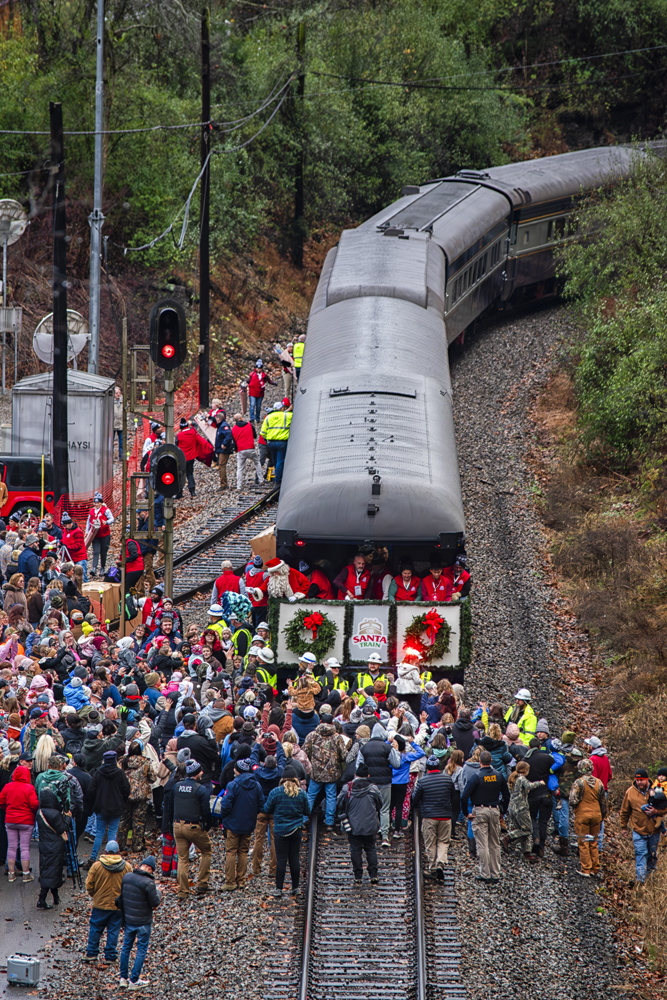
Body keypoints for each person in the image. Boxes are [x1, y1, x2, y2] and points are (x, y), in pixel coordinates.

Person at [461, 749, 510, 883]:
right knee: (494, 843)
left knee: (482, 844)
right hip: (494, 810)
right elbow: (507, 795)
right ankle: (495, 873)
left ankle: (485, 873)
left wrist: (466, 813)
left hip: (479, 811)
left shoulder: (476, 777)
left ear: (480, 761)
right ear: (491, 761)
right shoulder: (499, 776)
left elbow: (464, 796)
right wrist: (502, 812)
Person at [263, 763, 311, 898]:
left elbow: (266, 809)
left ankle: (279, 888)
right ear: (296, 779)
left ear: (282, 779)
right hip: (296, 830)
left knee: (281, 859)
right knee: (294, 859)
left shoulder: (275, 792)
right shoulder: (301, 793)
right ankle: (295, 888)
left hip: (280, 830)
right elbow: (308, 811)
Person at [218, 756, 265, 891]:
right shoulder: (256, 785)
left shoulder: (232, 785)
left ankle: (230, 881)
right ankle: (241, 880)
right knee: (243, 851)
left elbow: (226, 805)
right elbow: (261, 805)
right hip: (248, 824)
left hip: (232, 824)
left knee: (231, 852)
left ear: (237, 771)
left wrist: (225, 817)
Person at [84, 839, 133, 964]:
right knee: (113, 930)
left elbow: (89, 885)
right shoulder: (127, 867)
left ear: (105, 851)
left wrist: (95, 895)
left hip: (100, 904)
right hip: (117, 906)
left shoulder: (97, 866)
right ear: (118, 852)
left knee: (95, 928)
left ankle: (91, 953)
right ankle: (110, 956)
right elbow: (130, 886)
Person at [170, 758, 213, 900]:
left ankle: (183, 891)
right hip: (194, 826)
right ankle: (202, 883)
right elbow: (206, 810)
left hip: (177, 825)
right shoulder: (201, 789)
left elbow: (170, 806)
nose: (202, 772)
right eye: (200, 771)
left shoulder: (176, 786)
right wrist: (207, 825)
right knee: (206, 851)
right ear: (196, 774)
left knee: (182, 858)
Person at [118, 856, 161, 990]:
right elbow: (155, 902)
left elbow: (121, 898)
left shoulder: (127, 877)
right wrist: (159, 892)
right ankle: (134, 980)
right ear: (149, 868)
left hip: (129, 920)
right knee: (141, 950)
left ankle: (123, 978)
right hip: (143, 922)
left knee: (126, 947)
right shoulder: (148, 883)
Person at [336, 762, 382, 885]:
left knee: (355, 850)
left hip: (353, 825)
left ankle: (358, 876)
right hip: (370, 825)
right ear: (368, 775)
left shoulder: (348, 788)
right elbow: (380, 804)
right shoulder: (373, 788)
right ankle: (374, 875)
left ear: (355, 775)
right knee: (371, 849)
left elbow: (339, 803)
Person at [357, 724, 401, 847]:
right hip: (385, 782)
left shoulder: (364, 748)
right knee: (385, 809)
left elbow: (358, 766)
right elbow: (396, 764)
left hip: (369, 783)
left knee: (370, 808)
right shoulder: (387, 747)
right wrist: (396, 750)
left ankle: (370, 834)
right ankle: (385, 837)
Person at [620, 767, 667, 882]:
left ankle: (650, 880)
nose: (639, 782)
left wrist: (657, 812)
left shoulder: (656, 788)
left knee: (652, 856)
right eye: (637, 780)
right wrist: (623, 827)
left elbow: (665, 806)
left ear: (647, 779)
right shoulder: (630, 792)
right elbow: (625, 811)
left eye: (641, 780)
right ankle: (639, 880)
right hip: (638, 830)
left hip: (654, 830)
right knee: (640, 854)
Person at [87, 749, 132, 866]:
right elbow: (126, 789)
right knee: (112, 832)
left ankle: (93, 858)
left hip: (101, 807)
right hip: (116, 807)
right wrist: (122, 800)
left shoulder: (98, 773)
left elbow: (90, 790)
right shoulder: (120, 773)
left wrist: (94, 803)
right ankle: (112, 858)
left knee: (99, 833)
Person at [412, 754, 453, 877]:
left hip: (429, 816)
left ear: (428, 768)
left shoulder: (423, 781)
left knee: (430, 842)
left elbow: (415, 799)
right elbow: (453, 796)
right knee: (443, 841)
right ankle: (441, 862)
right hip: (445, 816)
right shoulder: (447, 779)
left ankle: (433, 868)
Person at [303, 718, 348, 831]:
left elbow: (305, 751)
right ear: (332, 722)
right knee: (331, 797)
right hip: (332, 773)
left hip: (316, 772)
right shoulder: (337, 737)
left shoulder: (312, 735)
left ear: (321, 721)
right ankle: (329, 822)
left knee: (311, 795)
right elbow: (343, 755)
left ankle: (303, 819)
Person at [0, 763, 39, 882]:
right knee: (25, 848)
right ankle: (26, 874)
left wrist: (8, 810)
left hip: (10, 820)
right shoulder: (29, 788)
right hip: (26, 821)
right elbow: (35, 804)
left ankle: (11, 873)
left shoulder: (7, 786)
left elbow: (1, 801)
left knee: (11, 847)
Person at [569, 758, 607, 878]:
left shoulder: (579, 782)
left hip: (583, 815)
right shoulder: (599, 782)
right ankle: (595, 869)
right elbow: (603, 802)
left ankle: (586, 869)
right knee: (594, 842)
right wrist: (602, 815)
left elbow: (573, 800)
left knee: (583, 842)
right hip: (597, 815)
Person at [36, 787, 71, 909]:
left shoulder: (39, 812)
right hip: (55, 846)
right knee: (54, 871)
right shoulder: (55, 814)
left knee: (48, 871)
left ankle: (55, 897)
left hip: (44, 845)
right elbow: (62, 828)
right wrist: (67, 817)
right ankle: (42, 899)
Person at [502, 761, 543, 863]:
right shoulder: (521, 778)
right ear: (526, 771)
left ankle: (527, 853)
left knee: (522, 829)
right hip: (521, 808)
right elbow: (529, 786)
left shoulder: (512, 778)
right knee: (528, 830)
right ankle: (508, 838)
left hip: (512, 808)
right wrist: (540, 783)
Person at [585, 735, 612, 852]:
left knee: (591, 818)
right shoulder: (605, 758)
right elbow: (610, 775)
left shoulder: (593, 759)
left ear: (591, 746)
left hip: (595, 793)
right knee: (601, 819)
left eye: (588, 744)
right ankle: (599, 845)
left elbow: (593, 778)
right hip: (604, 792)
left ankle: (591, 843)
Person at [260, 401, 291, 484]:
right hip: (282, 442)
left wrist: (267, 440)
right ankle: (278, 480)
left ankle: (276, 476)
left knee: (275, 461)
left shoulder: (268, 417)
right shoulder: (286, 415)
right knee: (280, 461)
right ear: (281, 408)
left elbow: (263, 432)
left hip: (271, 443)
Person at [231, 413, 263, 490]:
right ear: (241, 418)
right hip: (250, 448)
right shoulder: (249, 425)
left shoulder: (233, 429)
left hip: (241, 450)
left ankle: (239, 486)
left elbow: (234, 442)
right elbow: (255, 436)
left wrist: (236, 450)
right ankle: (261, 480)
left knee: (240, 468)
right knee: (257, 462)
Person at [86, 493, 115, 578]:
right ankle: (94, 568)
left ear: (101, 503)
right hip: (95, 535)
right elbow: (88, 521)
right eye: (95, 503)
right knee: (96, 551)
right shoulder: (92, 511)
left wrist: (107, 522)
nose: (96, 504)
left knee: (103, 552)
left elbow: (112, 518)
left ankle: (102, 567)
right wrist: (87, 531)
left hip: (105, 534)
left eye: (98, 502)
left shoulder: (106, 510)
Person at [61, 513, 89, 581]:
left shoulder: (78, 532)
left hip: (79, 558)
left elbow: (78, 546)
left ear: (70, 523)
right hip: (70, 558)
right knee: (74, 578)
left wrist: (67, 547)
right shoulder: (65, 531)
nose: (64, 527)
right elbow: (65, 539)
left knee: (82, 578)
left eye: (65, 525)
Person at [247, 359, 276, 424]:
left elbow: (269, 381)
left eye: (260, 368)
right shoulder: (252, 374)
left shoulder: (264, 375)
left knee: (258, 406)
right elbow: (248, 381)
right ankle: (252, 418)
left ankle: (257, 418)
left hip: (260, 393)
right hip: (252, 393)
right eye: (257, 368)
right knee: (252, 405)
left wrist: (274, 383)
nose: (259, 369)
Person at [213, 410, 234, 491]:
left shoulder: (224, 426)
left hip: (224, 450)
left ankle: (223, 484)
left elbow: (228, 436)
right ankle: (223, 483)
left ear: (218, 419)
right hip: (220, 449)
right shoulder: (221, 425)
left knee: (221, 466)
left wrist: (224, 444)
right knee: (221, 466)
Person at [114, 386, 123, 460]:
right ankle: (110, 456)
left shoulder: (123, 401)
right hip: (112, 424)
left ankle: (121, 457)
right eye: (116, 393)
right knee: (110, 441)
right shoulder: (110, 401)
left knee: (121, 441)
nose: (118, 394)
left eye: (119, 392)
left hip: (121, 424)